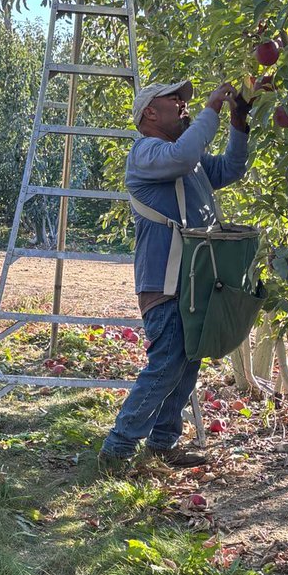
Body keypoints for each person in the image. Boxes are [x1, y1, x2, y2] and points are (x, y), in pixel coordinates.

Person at [99, 78, 251, 471]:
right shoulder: (147, 153)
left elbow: (232, 168)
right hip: (166, 284)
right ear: (150, 112)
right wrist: (212, 109)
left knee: (187, 363)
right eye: (176, 101)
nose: (185, 106)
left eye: (187, 102)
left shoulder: (190, 161)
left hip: (194, 284)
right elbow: (184, 156)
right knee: (167, 362)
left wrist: (239, 122)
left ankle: (163, 443)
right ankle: (117, 449)